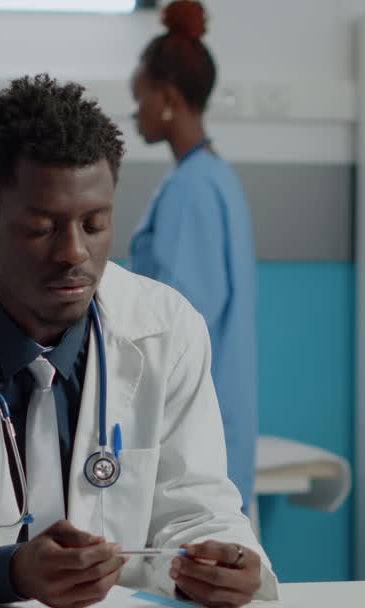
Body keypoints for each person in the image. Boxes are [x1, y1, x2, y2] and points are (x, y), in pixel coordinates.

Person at [0, 74, 276, 608]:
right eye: (42, 228)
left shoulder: (167, 327)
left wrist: (223, 562)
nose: (75, 254)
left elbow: (197, 507)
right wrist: (13, 571)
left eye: (95, 224)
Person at [130, 0, 258, 517]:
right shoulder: (212, 176)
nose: (135, 111)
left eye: (138, 98)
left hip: (195, 430)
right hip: (216, 424)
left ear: (166, 98)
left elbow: (179, 324)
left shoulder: (193, 189)